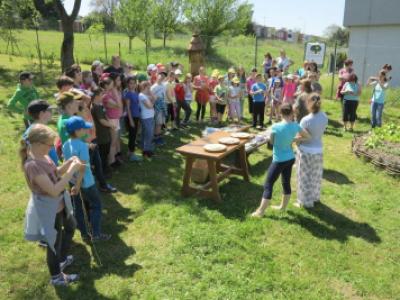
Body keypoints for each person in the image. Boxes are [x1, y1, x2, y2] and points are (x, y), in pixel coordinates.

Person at [21, 124, 83, 286]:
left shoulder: (44, 156)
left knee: (70, 226)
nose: (51, 148)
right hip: (50, 209)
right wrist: (71, 171)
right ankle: (56, 277)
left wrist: (68, 163)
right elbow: (54, 190)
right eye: (49, 144)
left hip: (61, 204)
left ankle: (61, 260)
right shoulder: (32, 165)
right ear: (38, 143)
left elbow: (54, 173)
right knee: (53, 243)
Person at [251, 104, 310, 217]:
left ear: (281, 113)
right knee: (286, 182)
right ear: (292, 113)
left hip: (279, 160)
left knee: (268, 184)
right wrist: (294, 139)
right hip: (290, 158)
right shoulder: (295, 126)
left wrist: (274, 138)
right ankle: (282, 207)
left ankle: (260, 211)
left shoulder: (275, 127)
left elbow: (272, 143)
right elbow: (308, 137)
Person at [63, 116, 112, 242]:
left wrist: (75, 184)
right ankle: (96, 234)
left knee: (78, 207)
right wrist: (79, 184)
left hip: (72, 181)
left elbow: (68, 162)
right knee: (96, 205)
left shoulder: (66, 144)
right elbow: (82, 168)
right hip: (86, 183)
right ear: (78, 131)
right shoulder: (82, 146)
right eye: (84, 129)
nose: (86, 131)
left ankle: (84, 234)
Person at [296, 93, 328, 208]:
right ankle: (315, 197)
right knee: (315, 175)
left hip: (305, 150)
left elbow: (300, 136)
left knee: (304, 176)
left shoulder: (305, 120)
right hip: (318, 150)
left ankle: (304, 201)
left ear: (308, 103)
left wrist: (295, 143)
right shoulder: (324, 116)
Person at [24, 100, 58, 166]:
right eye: (50, 111)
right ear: (42, 113)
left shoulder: (40, 130)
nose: (52, 113)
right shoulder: (36, 133)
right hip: (45, 170)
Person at [91, 87, 115, 176]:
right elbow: (102, 121)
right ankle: (103, 172)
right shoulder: (96, 107)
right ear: (96, 96)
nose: (103, 96)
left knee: (104, 153)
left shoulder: (98, 105)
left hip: (103, 134)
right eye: (101, 94)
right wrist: (112, 125)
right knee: (103, 154)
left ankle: (104, 170)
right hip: (102, 135)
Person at [102, 75, 123, 167]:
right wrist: (115, 92)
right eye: (111, 84)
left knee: (114, 141)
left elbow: (119, 104)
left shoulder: (110, 93)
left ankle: (113, 158)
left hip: (116, 119)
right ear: (106, 85)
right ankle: (111, 161)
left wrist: (115, 93)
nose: (113, 85)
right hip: (112, 120)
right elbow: (119, 105)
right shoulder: (106, 96)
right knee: (113, 141)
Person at [123, 76, 142, 161]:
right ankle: (132, 153)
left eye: (134, 83)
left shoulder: (136, 92)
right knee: (132, 135)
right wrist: (130, 120)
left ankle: (130, 152)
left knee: (134, 135)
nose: (133, 85)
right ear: (127, 84)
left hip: (136, 116)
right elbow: (127, 108)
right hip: (131, 117)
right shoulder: (128, 94)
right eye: (131, 83)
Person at [139, 81, 156, 158]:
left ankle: (144, 148)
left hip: (150, 116)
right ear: (145, 87)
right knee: (149, 134)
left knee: (146, 133)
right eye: (149, 87)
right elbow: (149, 106)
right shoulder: (141, 95)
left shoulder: (146, 95)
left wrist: (152, 95)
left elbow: (153, 97)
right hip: (146, 117)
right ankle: (147, 150)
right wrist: (153, 100)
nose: (150, 89)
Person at [151, 72, 168, 146]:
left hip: (162, 106)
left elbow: (164, 95)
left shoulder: (164, 86)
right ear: (157, 76)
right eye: (161, 75)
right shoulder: (154, 87)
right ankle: (156, 139)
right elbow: (151, 98)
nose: (162, 77)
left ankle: (159, 137)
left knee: (161, 123)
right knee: (158, 123)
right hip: (157, 107)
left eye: (164, 76)